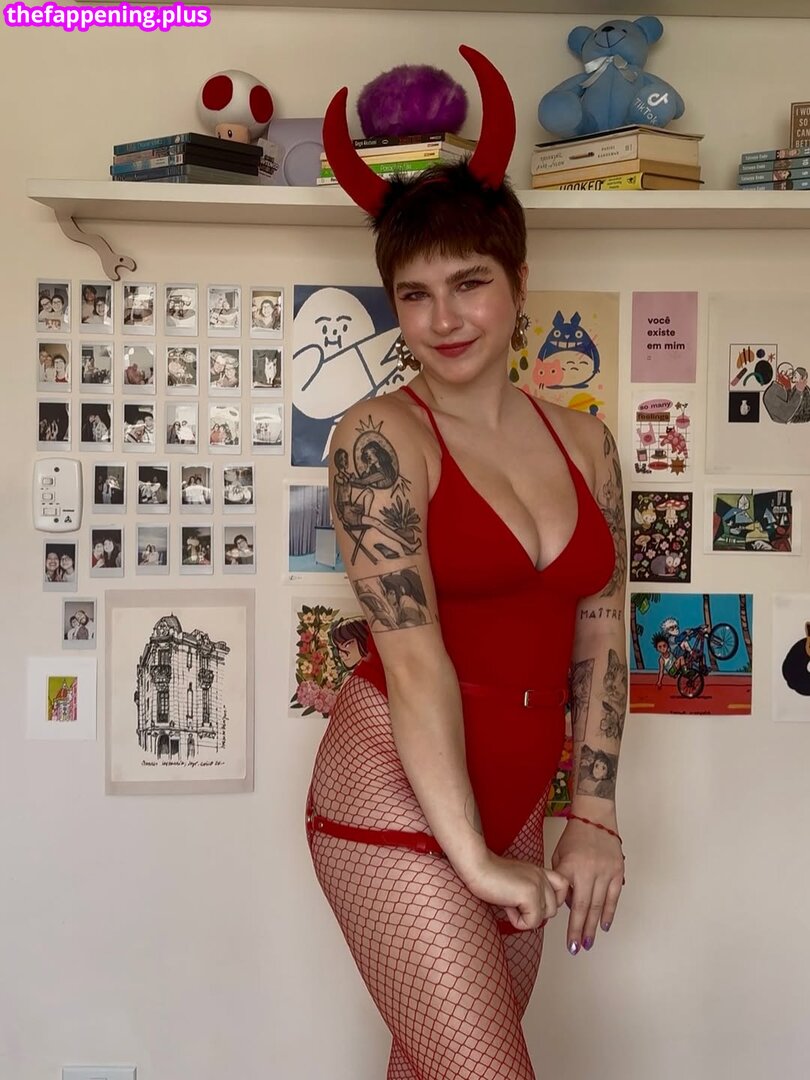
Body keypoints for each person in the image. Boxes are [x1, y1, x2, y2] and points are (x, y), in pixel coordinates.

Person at [305, 46, 628, 1080]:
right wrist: (472, 857)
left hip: (520, 797)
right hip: (397, 794)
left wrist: (592, 815)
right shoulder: (379, 436)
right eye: (414, 295)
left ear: (519, 282)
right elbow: (412, 662)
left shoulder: (588, 443)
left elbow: (602, 628)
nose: (443, 320)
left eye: (469, 284)